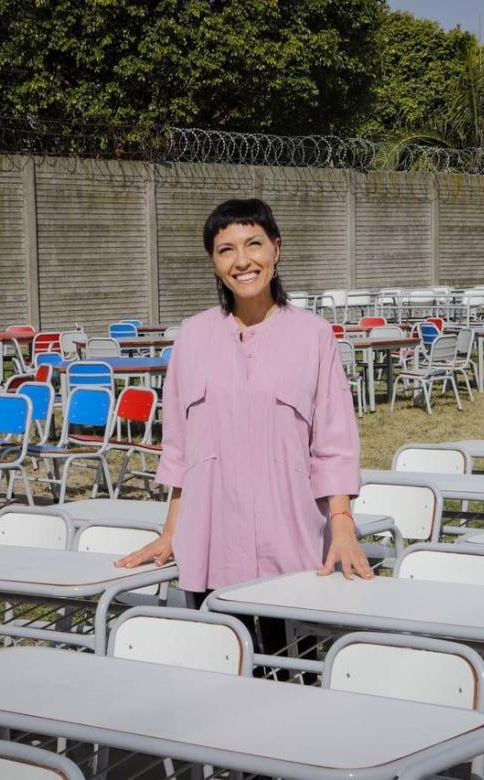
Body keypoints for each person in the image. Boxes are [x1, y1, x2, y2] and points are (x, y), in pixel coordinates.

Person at [116, 198, 372, 607]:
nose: (242, 261)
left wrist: (342, 529)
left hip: (289, 538)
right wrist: (172, 532)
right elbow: (182, 451)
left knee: (290, 663)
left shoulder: (314, 336)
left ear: (276, 249)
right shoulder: (192, 337)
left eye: (253, 244)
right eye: (226, 250)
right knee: (217, 657)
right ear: (213, 262)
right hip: (210, 538)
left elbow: (334, 444)